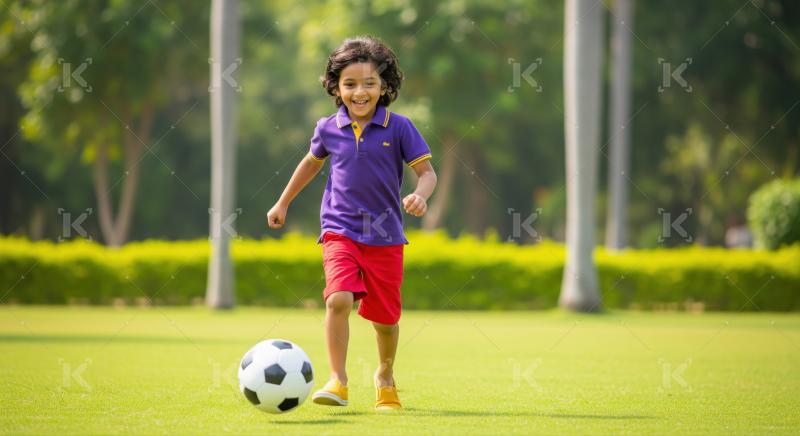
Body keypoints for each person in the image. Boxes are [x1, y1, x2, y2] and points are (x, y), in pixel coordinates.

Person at [266, 35, 437, 411]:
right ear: (335, 87)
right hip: (339, 229)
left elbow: (427, 173)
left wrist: (421, 195)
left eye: (370, 83)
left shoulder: (400, 127)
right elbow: (311, 164)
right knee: (338, 299)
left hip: (386, 235)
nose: (360, 92)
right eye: (350, 84)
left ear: (385, 86)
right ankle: (338, 381)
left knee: (386, 321)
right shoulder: (328, 128)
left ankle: (385, 376)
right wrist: (283, 202)